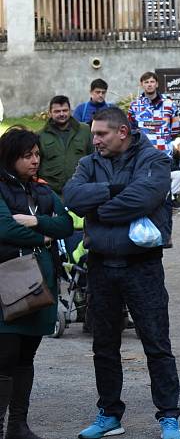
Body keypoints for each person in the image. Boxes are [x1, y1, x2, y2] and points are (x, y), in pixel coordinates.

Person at [63, 107, 180, 439]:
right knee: (103, 345)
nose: (95, 140)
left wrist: (98, 209)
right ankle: (109, 414)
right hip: (101, 266)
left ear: (123, 132)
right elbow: (72, 197)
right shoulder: (89, 162)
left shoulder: (155, 160)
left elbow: (144, 199)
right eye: (93, 134)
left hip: (142, 266)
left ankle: (169, 416)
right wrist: (115, 190)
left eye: (101, 134)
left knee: (156, 343)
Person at [0, 128, 73, 439]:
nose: (34, 161)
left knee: (26, 357)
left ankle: (18, 425)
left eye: (37, 155)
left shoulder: (42, 191)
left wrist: (37, 222)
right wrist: (44, 236)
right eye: (27, 155)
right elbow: (4, 228)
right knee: (4, 357)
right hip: (7, 282)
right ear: (10, 157)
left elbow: (67, 223)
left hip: (41, 283)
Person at [37, 95, 93, 195]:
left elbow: (93, 157)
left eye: (65, 110)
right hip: (51, 192)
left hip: (80, 189)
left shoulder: (85, 130)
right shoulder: (40, 136)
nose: (62, 114)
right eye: (57, 111)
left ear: (70, 111)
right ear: (50, 113)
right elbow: (36, 165)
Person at [127, 72, 180, 156]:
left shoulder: (169, 104)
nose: (149, 84)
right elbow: (131, 128)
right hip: (143, 152)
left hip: (164, 151)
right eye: (146, 82)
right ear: (142, 85)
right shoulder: (135, 106)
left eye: (152, 82)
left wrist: (165, 140)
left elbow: (175, 128)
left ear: (157, 84)